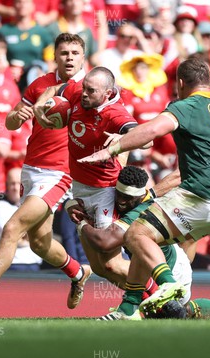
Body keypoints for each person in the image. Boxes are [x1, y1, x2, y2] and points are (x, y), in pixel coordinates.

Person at [79, 57, 210, 319]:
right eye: (118, 196)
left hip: (184, 235)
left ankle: (159, 290)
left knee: (136, 237)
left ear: (180, 83)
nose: (120, 202)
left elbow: (153, 130)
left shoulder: (183, 108)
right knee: (146, 244)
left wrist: (111, 151)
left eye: (123, 198)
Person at [0, 33, 91, 318]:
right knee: (39, 243)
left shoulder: (86, 90)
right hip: (31, 169)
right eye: (64, 52)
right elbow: (11, 122)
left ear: (83, 57)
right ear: (55, 57)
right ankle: (78, 273)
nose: (70, 57)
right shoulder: (38, 84)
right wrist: (21, 114)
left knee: (13, 227)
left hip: (59, 173)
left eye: (75, 52)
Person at [76, 166, 210, 320]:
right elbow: (177, 174)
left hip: (173, 269)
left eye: (128, 198)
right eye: (119, 195)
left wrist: (81, 223)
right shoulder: (119, 200)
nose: (122, 202)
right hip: (151, 264)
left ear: (140, 197)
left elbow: (103, 242)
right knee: (158, 311)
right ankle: (129, 307)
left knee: (180, 314)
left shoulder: (140, 210)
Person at [33, 66, 141, 281]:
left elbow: (147, 138)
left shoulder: (115, 113)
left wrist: (119, 144)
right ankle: (148, 301)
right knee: (98, 268)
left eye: (91, 91)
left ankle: (161, 297)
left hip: (105, 190)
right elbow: (55, 89)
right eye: (84, 87)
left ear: (107, 94)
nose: (84, 93)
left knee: (112, 263)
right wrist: (38, 105)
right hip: (80, 187)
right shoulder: (78, 93)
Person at [0, 168, 42, 271]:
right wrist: (30, 236)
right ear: (6, 186)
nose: (16, 188)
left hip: (34, 264)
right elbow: (12, 237)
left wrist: (25, 236)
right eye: (12, 184)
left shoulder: (33, 206)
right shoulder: (0, 207)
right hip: (10, 265)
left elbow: (39, 237)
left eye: (19, 183)